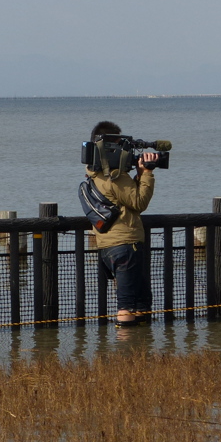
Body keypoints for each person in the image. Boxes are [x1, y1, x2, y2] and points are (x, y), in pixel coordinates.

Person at [85, 121, 156, 325]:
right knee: (128, 303)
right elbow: (139, 202)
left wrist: (139, 175)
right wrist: (147, 174)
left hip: (108, 246)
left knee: (138, 301)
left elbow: (123, 199)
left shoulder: (93, 174)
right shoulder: (116, 177)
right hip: (126, 244)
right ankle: (125, 349)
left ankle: (138, 346)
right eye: (118, 145)